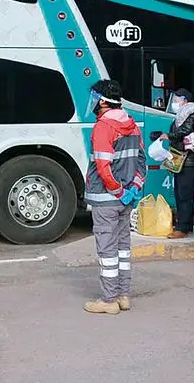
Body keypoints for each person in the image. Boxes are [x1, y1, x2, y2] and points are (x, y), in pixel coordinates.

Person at [83, 79, 146, 315]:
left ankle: (108, 300)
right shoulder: (132, 125)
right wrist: (134, 188)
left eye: (93, 97)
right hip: (125, 200)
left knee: (107, 250)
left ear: (102, 101)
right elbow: (141, 162)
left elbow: (103, 166)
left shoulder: (103, 127)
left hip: (106, 199)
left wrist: (117, 191)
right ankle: (123, 295)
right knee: (123, 248)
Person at [159, 88, 194, 239]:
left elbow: (184, 131)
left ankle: (182, 228)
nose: (174, 103)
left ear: (185, 100)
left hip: (190, 162)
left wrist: (168, 136)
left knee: (185, 194)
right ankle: (186, 225)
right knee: (181, 193)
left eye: (176, 100)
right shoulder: (181, 115)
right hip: (181, 160)